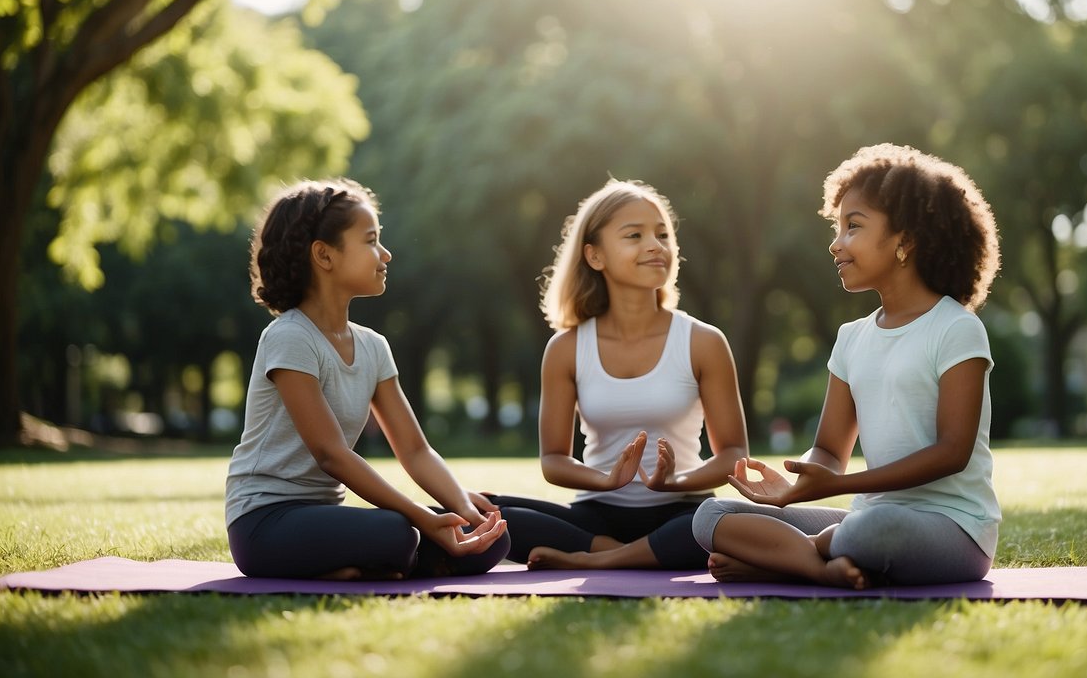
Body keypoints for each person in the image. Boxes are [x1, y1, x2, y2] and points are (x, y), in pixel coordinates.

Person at [692, 143, 1002, 588]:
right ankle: (819, 565)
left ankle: (785, 560)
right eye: (837, 229)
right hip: (865, 516)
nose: (836, 244)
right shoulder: (851, 338)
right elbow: (830, 452)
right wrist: (797, 483)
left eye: (853, 227)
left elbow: (952, 452)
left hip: (952, 529)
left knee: (866, 531)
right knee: (712, 516)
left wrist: (835, 488)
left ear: (906, 241)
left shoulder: (956, 328)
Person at [225, 178, 509, 580]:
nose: (386, 254)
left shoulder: (373, 346)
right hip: (263, 523)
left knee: (488, 539)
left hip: (322, 520)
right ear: (324, 255)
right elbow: (332, 454)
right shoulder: (289, 337)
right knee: (396, 532)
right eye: (371, 240)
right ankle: (379, 560)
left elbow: (414, 450)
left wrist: (461, 507)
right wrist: (421, 520)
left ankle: (363, 566)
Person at [490, 179, 748, 570]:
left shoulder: (703, 341)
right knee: (480, 509)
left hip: (682, 512)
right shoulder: (566, 349)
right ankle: (624, 552)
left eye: (663, 234)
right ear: (595, 256)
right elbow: (554, 460)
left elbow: (734, 454)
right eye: (635, 235)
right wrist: (607, 480)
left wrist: (674, 483)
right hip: (597, 514)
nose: (656, 246)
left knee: (722, 524)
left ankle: (598, 559)